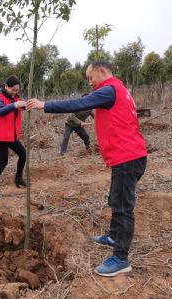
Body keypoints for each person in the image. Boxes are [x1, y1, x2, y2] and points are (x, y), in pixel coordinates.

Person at [26, 60, 147, 277]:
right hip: (127, 156)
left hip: (127, 157)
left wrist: (45, 105)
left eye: (91, 78)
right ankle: (113, 236)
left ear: (102, 72)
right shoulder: (118, 89)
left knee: (122, 206)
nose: (90, 83)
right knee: (115, 198)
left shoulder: (109, 89)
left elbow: (78, 104)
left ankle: (121, 258)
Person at [0, 75, 27, 198]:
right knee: (3, 162)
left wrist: (29, 104)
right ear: (6, 87)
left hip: (11, 134)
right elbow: (0, 111)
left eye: (17, 90)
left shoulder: (16, 98)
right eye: (13, 90)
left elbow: (23, 106)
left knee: (23, 154)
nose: (15, 93)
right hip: (1, 135)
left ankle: (18, 178)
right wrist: (15, 105)